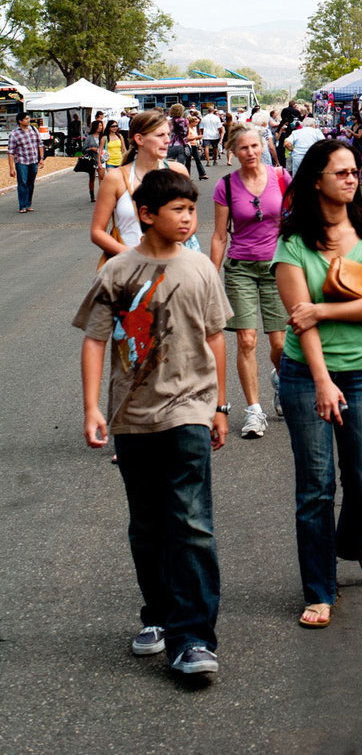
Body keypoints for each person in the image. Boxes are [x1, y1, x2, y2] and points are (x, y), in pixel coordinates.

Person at [74, 168, 231, 677]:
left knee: (189, 522)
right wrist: (92, 407)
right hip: (132, 415)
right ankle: (159, 616)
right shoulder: (117, 272)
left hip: (189, 408)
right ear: (146, 215)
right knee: (147, 525)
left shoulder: (202, 269)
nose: (189, 218)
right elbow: (95, 339)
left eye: (193, 209)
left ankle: (193, 637)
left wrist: (219, 406)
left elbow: (215, 337)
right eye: (179, 210)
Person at [272, 139, 362, 629]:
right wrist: (322, 381)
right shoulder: (293, 242)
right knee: (316, 490)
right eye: (341, 172)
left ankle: (354, 543)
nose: (352, 178)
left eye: (354, 171)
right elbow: (299, 325)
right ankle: (320, 590)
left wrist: (323, 307)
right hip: (307, 375)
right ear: (316, 180)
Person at [210, 124, 291, 439]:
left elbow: (299, 219)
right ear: (233, 151)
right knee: (246, 340)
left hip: (277, 268)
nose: (250, 153)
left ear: (263, 146)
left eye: (255, 146)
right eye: (243, 148)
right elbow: (219, 236)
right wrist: (210, 276)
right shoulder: (226, 186)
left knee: (281, 344)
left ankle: (280, 380)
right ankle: (254, 412)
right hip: (240, 267)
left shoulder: (281, 178)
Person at [91, 110, 195, 261]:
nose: (167, 140)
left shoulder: (178, 171)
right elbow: (97, 231)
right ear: (139, 139)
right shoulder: (116, 178)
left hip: (172, 265)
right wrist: (132, 255)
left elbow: (191, 220)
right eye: (160, 135)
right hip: (130, 269)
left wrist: (167, 249)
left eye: (168, 134)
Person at [7, 111, 44, 214]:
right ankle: (22, 206)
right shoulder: (14, 134)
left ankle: (28, 204)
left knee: (30, 183)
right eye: (26, 119)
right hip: (21, 161)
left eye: (28, 118)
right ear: (20, 121)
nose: (29, 120)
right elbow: (10, 152)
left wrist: (41, 158)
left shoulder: (34, 130)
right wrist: (11, 168)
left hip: (33, 160)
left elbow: (40, 144)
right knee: (22, 183)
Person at [168, 103, 208, 180]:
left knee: (169, 163)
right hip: (181, 145)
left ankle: (170, 178)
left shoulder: (168, 122)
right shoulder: (184, 121)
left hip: (171, 145)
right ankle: (181, 178)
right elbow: (185, 134)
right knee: (182, 164)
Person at [81, 118, 104, 201]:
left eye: (101, 126)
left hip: (101, 159)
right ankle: (92, 195)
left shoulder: (103, 137)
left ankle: (102, 195)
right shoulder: (89, 137)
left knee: (102, 177)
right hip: (92, 159)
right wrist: (91, 149)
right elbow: (84, 149)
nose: (100, 127)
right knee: (92, 178)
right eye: (99, 126)